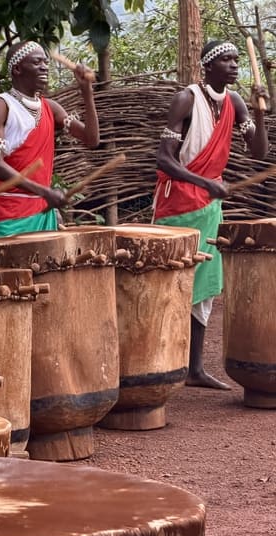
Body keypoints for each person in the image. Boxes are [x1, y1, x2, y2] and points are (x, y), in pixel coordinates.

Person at [154, 40, 268, 389]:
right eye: (225, 60)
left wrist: (259, 113)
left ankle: (195, 369)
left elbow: (259, 152)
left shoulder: (234, 102)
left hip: (208, 205)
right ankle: (158, 363)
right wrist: (204, 181)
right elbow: (164, 158)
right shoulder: (186, 99)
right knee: (170, 284)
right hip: (177, 205)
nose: (233, 65)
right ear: (207, 66)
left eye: (236, 60)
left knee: (203, 288)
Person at [0, 41, 100, 237]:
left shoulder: (50, 108)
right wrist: (44, 192)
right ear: (17, 69)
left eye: (45, 62)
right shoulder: (1, 104)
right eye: (37, 62)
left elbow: (91, 139)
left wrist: (86, 91)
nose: (44, 67)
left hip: (42, 212)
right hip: (8, 214)